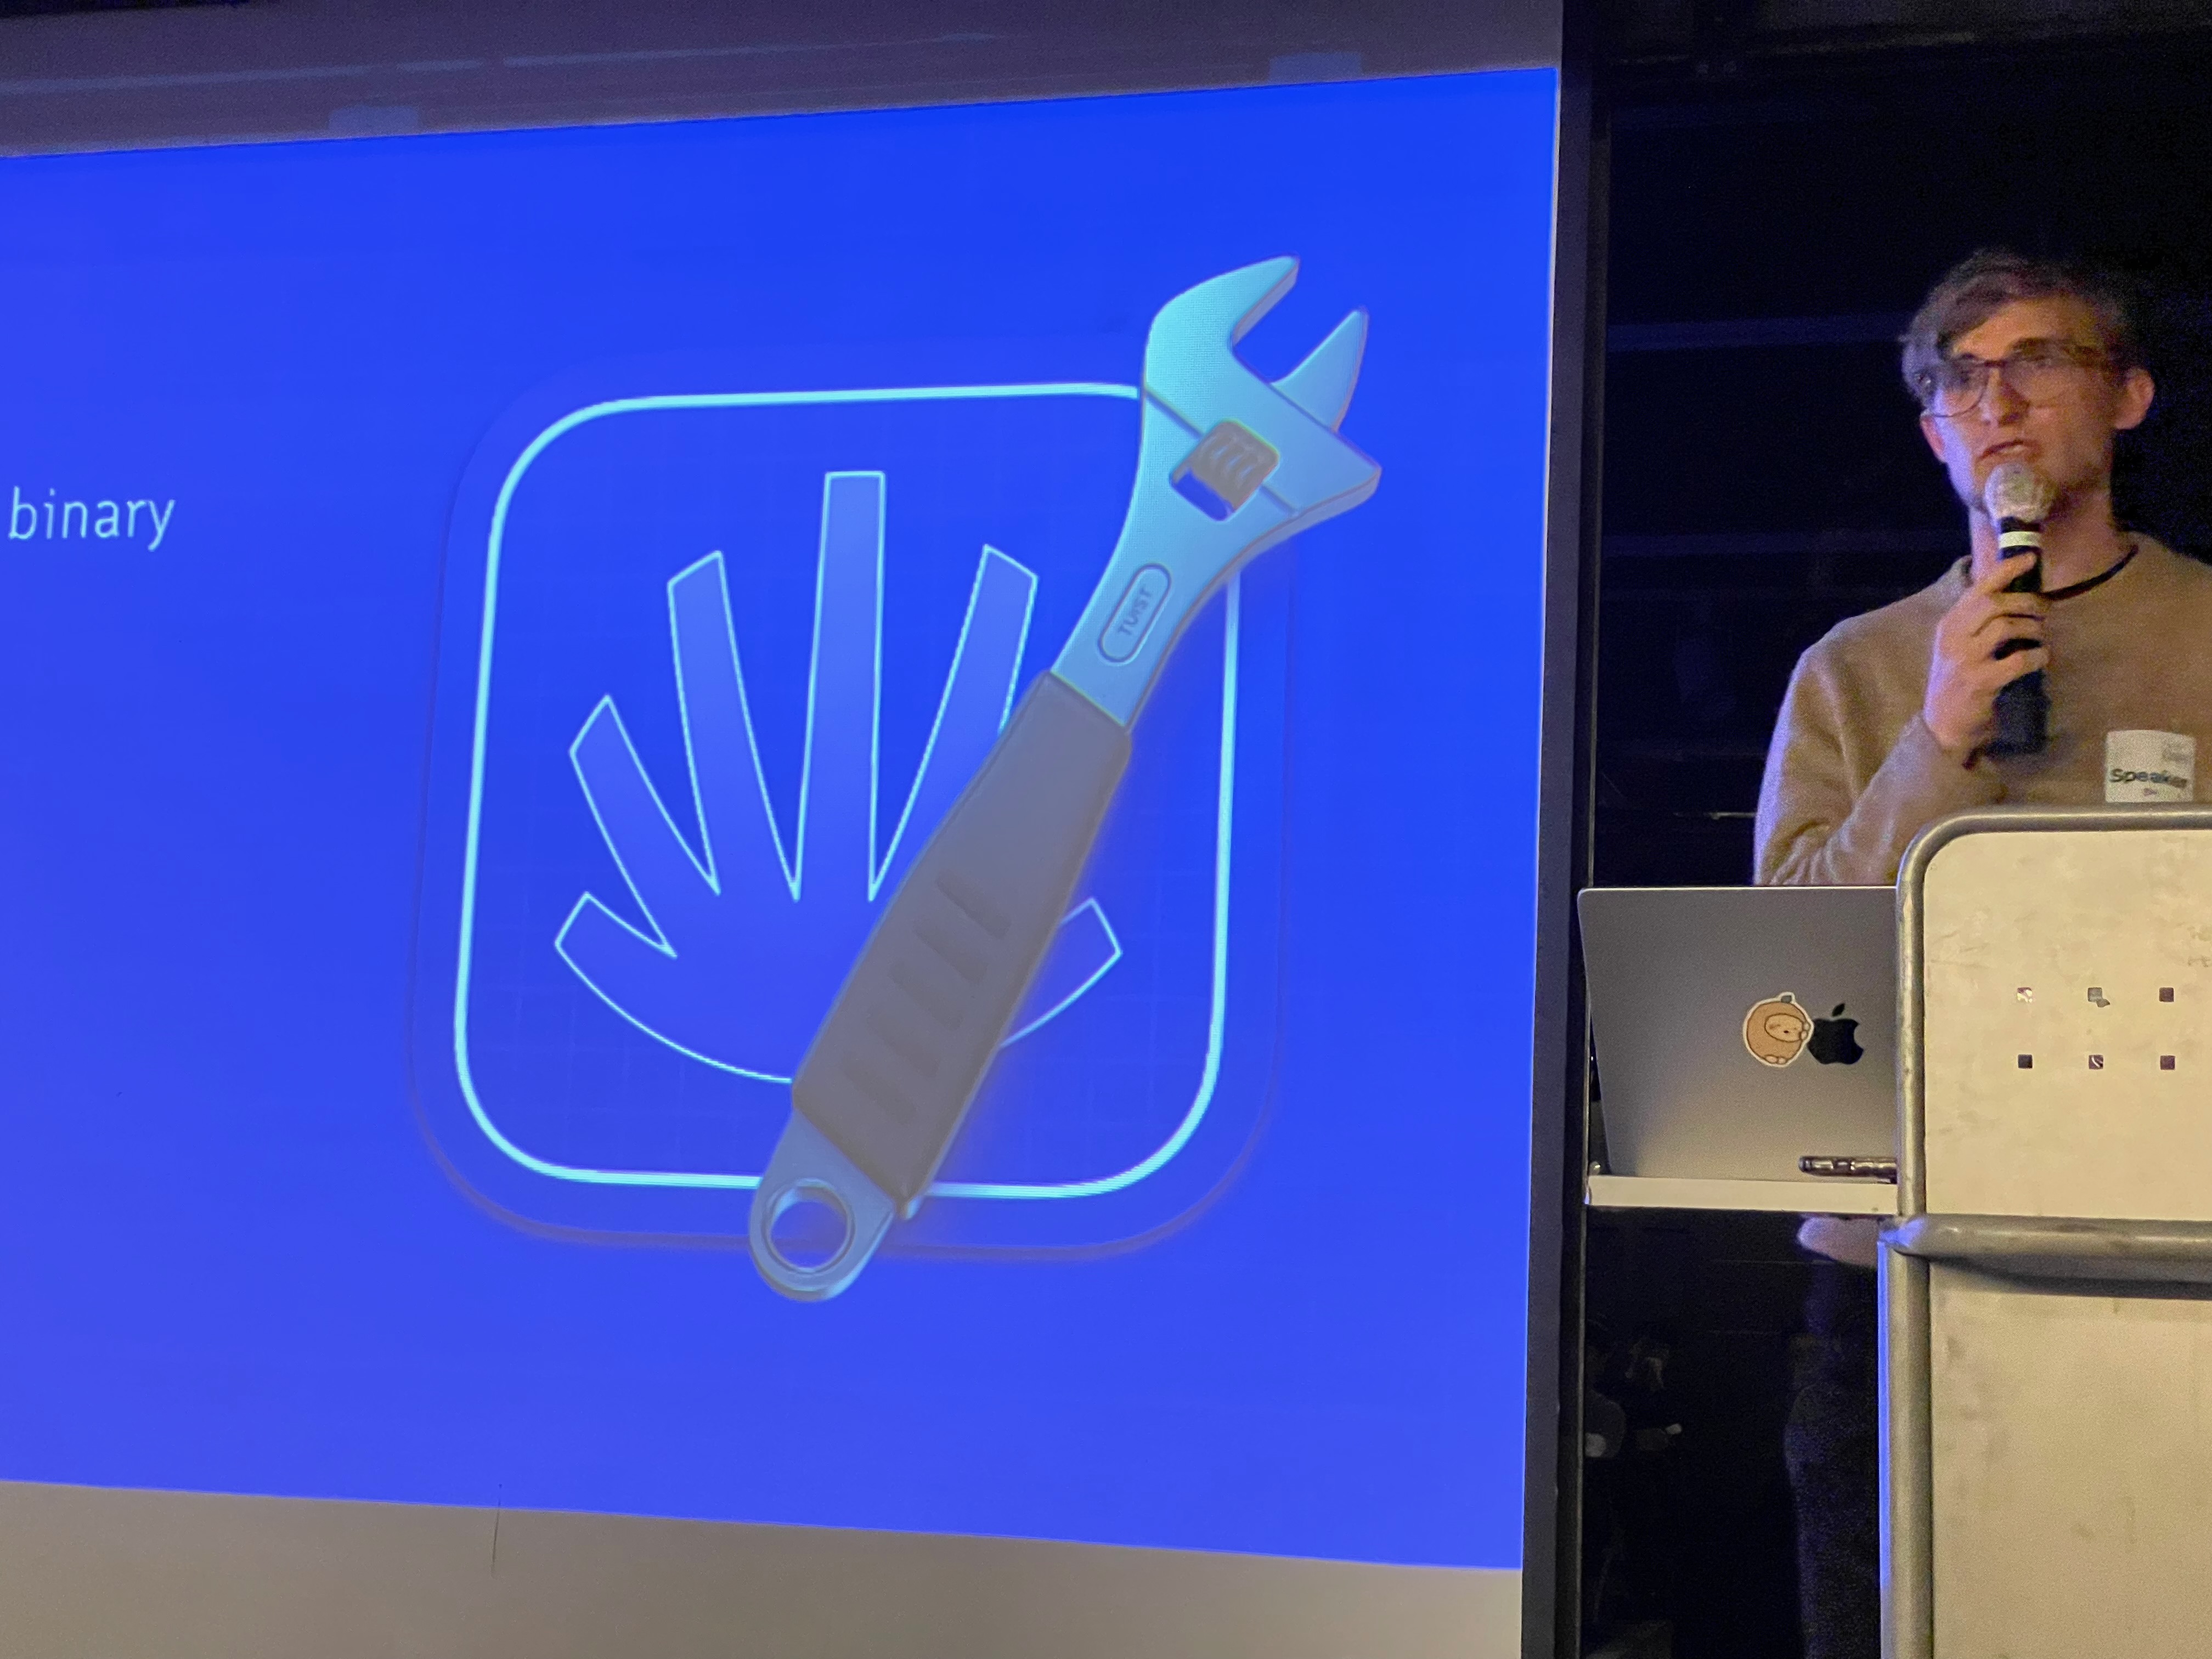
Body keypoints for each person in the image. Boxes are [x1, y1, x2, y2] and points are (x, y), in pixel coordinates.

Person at [1752, 247, 2212, 1659]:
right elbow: (1780, 986)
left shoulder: (2204, 632)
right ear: (1933, 435)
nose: (1994, 402)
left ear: (2127, 396)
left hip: (2171, 1236)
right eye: (1958, 381)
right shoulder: (1858, 669)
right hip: (1894, 1252)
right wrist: (1938, 732)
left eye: (2035, 362)